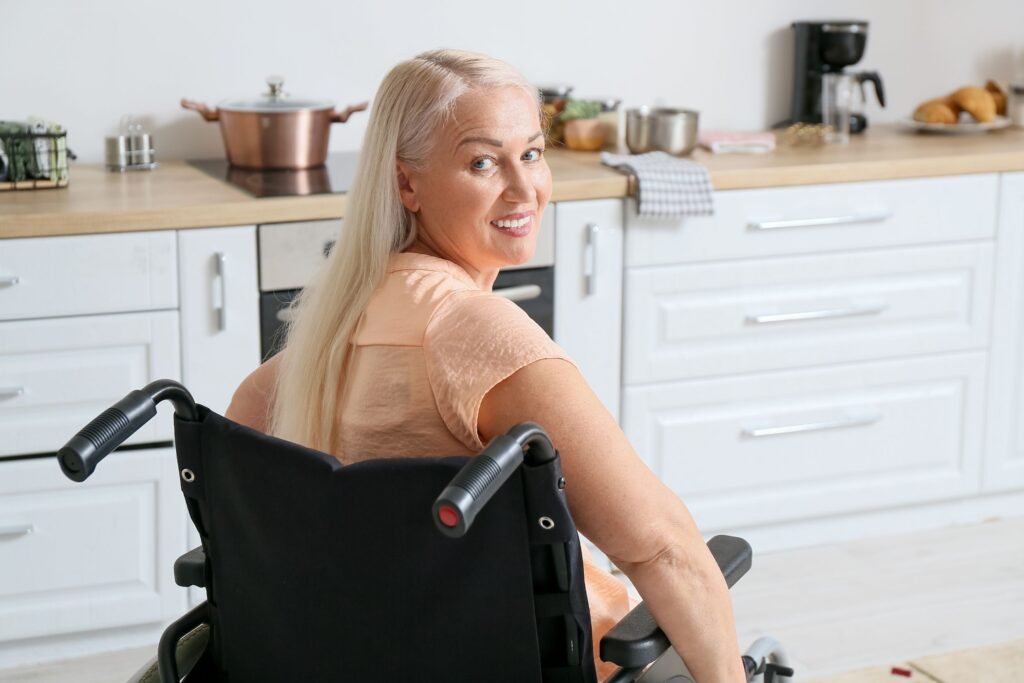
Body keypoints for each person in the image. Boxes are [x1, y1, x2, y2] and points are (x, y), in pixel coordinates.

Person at [226, 48, 745, 683]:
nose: (524, 187)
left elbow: (245, 451)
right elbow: (663, 548)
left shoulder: (330, 327)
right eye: (482, 162)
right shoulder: (476, 333)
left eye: (530, 153)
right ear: (406, 183)